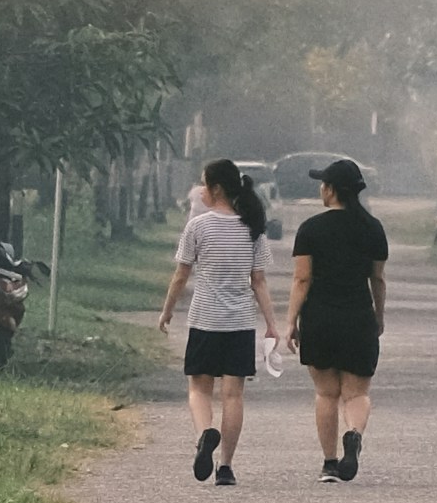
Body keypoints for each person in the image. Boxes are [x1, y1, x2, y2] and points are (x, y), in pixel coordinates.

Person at [157, 156, 276, 485]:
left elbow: (181, 275)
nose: (199, 190)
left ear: (216, 189)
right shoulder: (252, 229)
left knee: (198, 389)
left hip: (205, 320)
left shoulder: (198, 226)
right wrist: (271, 324)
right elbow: (259, 282)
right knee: (233, 396)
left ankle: (206, 432)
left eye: (203, 183)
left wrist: (167, 310)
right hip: (239, 323)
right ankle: (225, 467)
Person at [286, 157, 389, 482]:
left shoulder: (311, 229)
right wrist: (379, 316)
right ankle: (354, 433)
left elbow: (302, 280)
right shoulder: (373, 228)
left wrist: (290, 322)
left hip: (320, 320)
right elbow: (378, 279)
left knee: (326, 393)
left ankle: (330, 464)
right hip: (358, 318)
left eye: (323, 184)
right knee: (356, 394)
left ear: (331, 190)